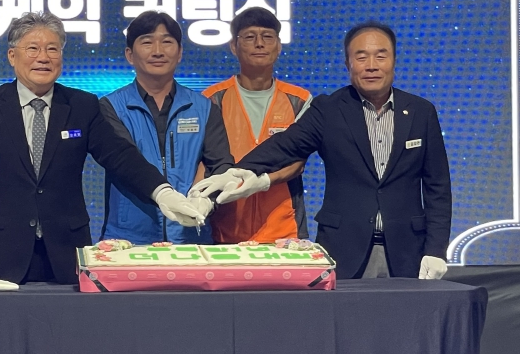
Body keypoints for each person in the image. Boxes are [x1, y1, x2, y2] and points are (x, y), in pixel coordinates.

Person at [0, 12, 204, 285]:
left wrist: (162, 192)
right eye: (32, 48)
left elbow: (120, 156)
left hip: (67, 254)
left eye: (52, 49)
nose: (43, 58)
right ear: (12, 56)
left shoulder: (82, 106)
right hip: (0, 253)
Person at [192, 22, 451, 280]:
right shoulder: (329, 109)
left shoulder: (421, 112)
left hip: (409, 251)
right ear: (348, 64)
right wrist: (237, 172)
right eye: (361, 57)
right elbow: (284, 145)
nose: (371, 65)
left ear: (394, 60)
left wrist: (436, 249)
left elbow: (437, 186)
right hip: (344, 249)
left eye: (380, 56)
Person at [99, 11, 234, 244]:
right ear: (129, 55)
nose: (158, 51)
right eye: (147, 42)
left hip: (190, 237)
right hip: (128, 239)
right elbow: (123, 163)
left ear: (180, 53)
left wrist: (206, 199)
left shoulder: (203, 107)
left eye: (167, 42)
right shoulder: (110, 107)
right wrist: (163, 194)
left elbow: (220, 164)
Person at [203, 7, 312, 243]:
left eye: (268, 36)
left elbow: (298, 162)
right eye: (250, 37)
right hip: (225, 228)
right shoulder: (212, 99)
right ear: (234, 46)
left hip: (285, 229)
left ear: (279, 46)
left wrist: (263, 182)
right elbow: (204, 161)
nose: (259, 44)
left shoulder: (300, 100)